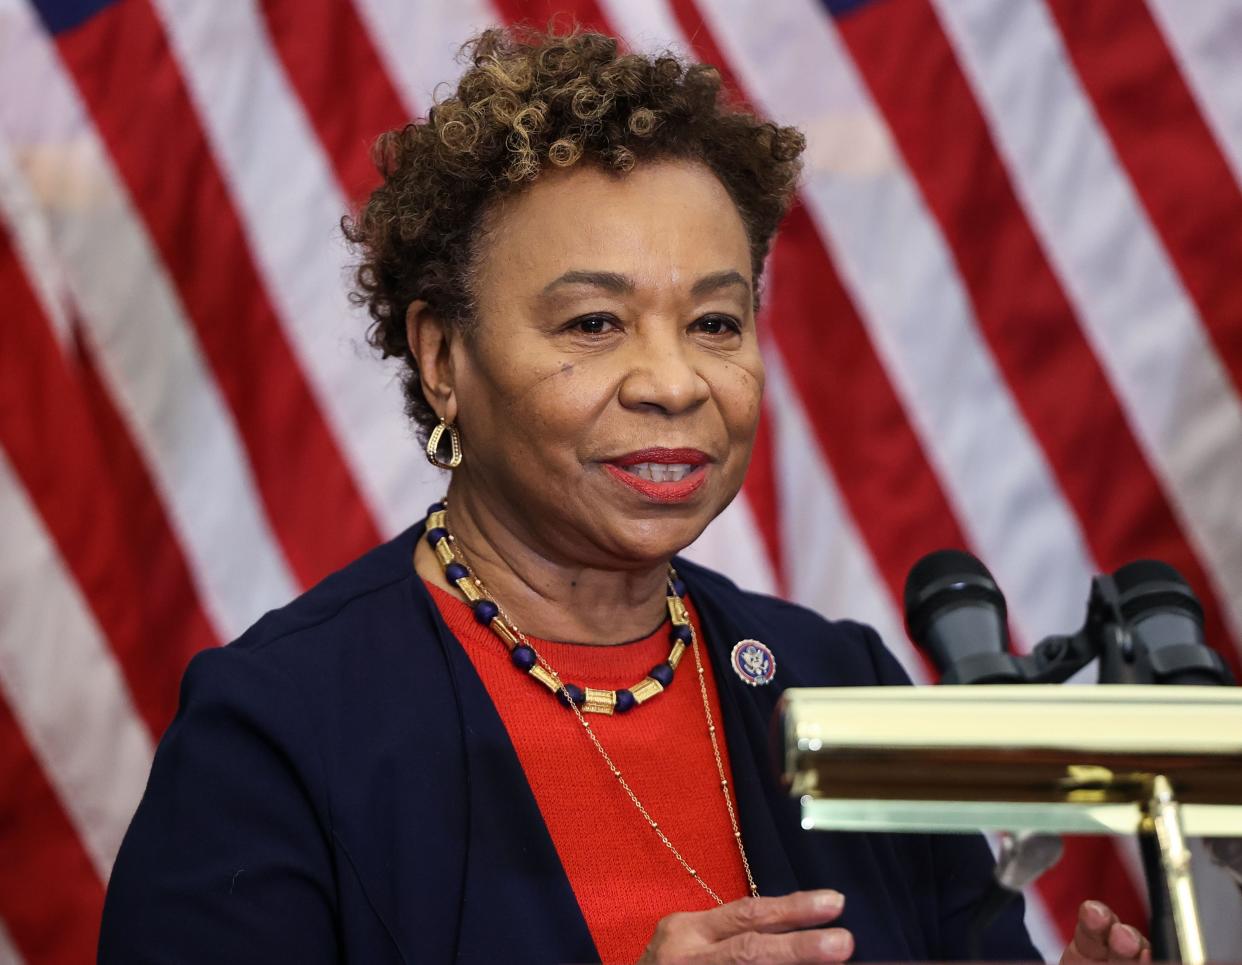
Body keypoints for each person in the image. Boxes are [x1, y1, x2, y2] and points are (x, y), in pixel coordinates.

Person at [98, 26, 1151, 964]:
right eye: (594, 324)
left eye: (716, 323)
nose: (675, 381)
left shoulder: (837, 683)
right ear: (442, 354)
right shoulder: (280, 731)